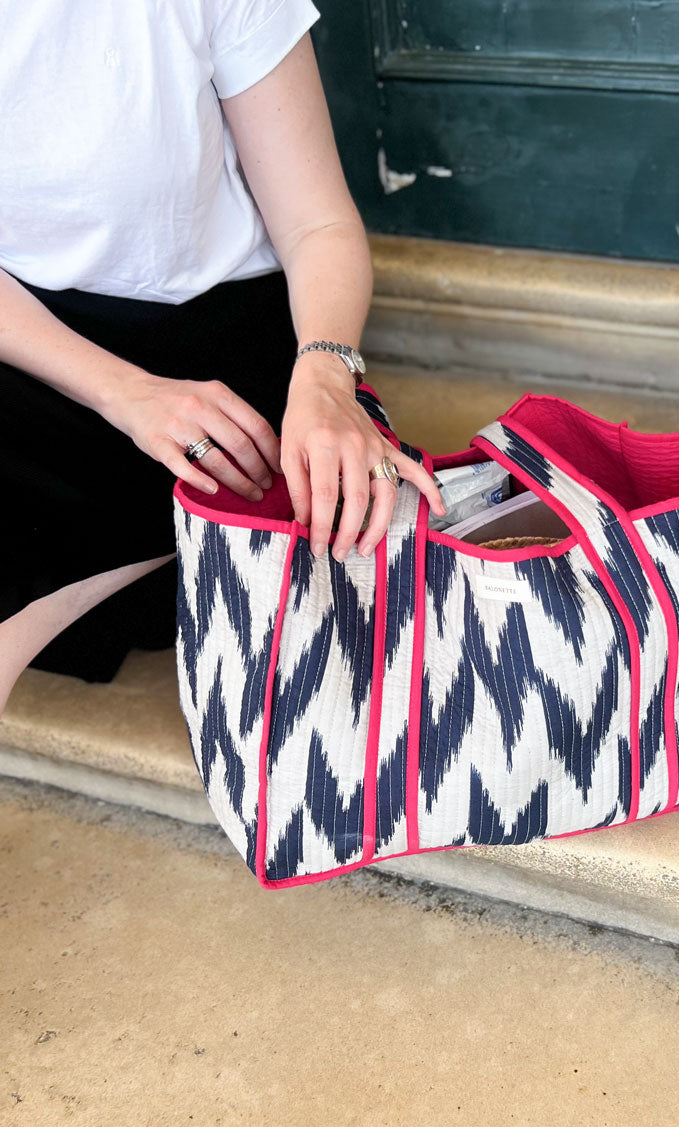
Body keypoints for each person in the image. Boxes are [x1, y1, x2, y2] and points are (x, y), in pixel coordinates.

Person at [0, 1, 445, 716]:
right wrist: (123, 394)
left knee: (268, 478)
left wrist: (328, 374)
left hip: (218, 352)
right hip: (36, 347)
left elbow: (318, 223)